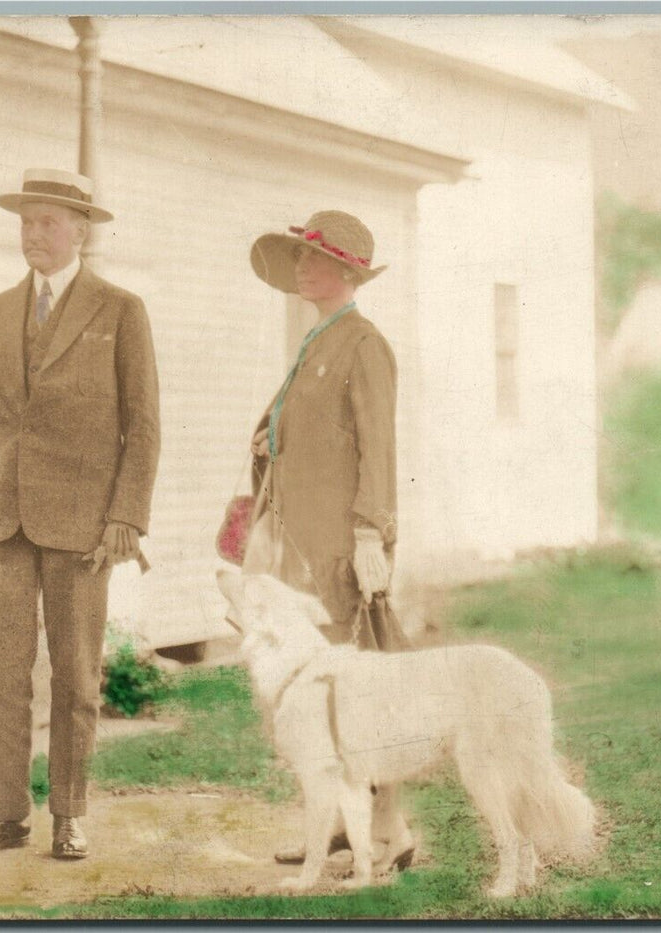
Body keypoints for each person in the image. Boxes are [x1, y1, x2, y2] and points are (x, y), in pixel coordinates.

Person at [0, 168, 160, 860]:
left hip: (83, 527)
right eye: (25, 221)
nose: (33, 234)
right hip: (5, 521)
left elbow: (143, 426)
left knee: (75, 675)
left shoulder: (119, 309)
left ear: (81, 230)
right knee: (0, 670)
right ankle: (4, 815)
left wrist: (125, 517)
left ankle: (69, 814)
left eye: (47, 222)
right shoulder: (0, 308)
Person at [244, 210, 414, 872]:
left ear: (346, 272)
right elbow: (315, 431)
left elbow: (377, 446)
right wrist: (273, 442)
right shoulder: (318, 340)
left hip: (346, 546)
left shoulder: (362, 343)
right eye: (298, 258)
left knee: (366, 685)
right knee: (324, 692)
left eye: (314, 259)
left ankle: (390, 828)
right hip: (306, 546)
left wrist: (371, 531)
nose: (302, 268)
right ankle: (343, 822)